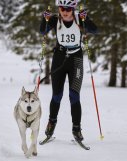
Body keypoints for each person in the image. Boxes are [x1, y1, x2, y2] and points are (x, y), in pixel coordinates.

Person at [39, 0, 97, 142]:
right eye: (62, 8)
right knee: (57, 95)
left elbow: (95, 30)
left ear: (73, 8)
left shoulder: (79, 18)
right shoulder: (54, 19)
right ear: (59, 8)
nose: (65, 12)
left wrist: (86, 19)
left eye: (68, 9)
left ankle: (76, 129)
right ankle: (51, 123)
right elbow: (42, 31)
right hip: (59, 58)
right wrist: (44, 19)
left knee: (74, 95)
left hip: (75, 59)